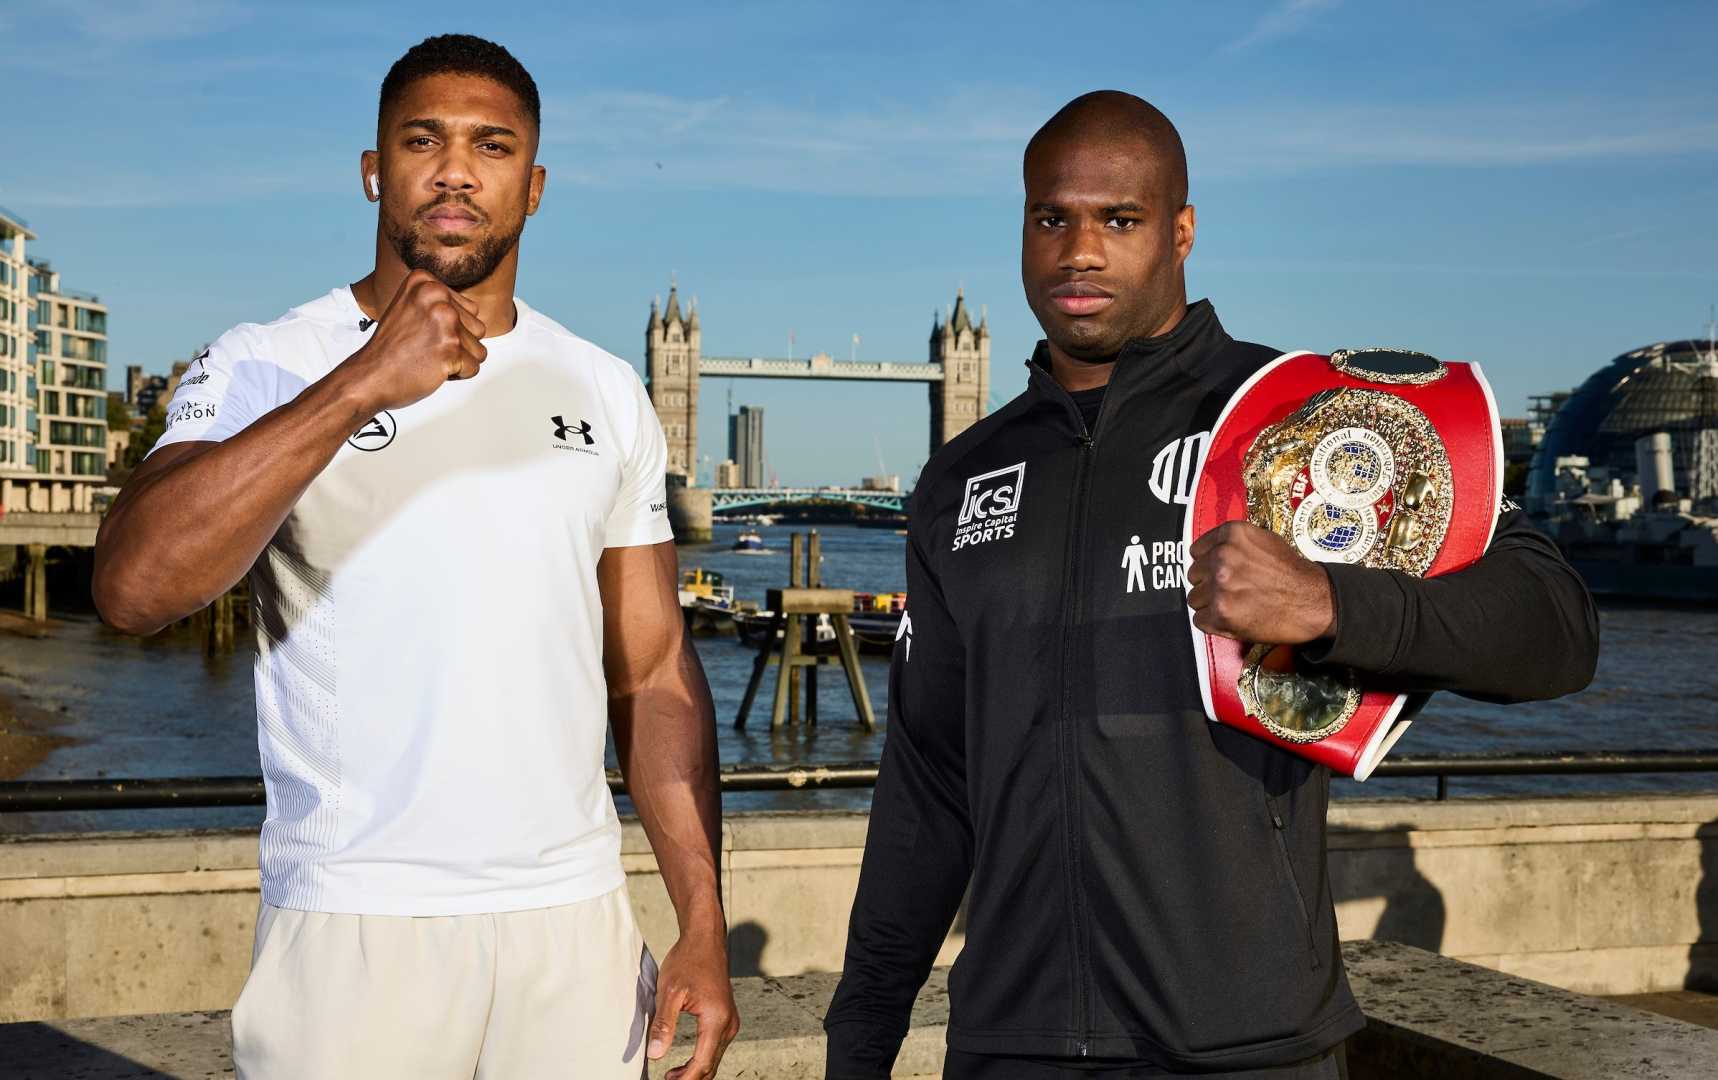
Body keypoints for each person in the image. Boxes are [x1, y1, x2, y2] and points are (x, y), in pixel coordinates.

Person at [824, 91, 1599, 1079]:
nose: (1078, 252)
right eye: (1050, 218)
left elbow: (1555, 627)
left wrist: (1333, 606)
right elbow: (929, 786)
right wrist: (861, 1036)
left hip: (1243, 1049)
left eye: (1119, 219)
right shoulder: (961, 477)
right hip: (1006, 1046)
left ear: (1181, 230)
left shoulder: (1306, 421)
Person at [93, 34, 738, 1080]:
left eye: (490, 147)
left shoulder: (605, 386)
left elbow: (655, 673)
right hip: (358, 927)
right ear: (372, 171)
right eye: (421, 140)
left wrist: (702, 921)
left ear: (531, 188)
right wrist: (358, 386)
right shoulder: (268, 359)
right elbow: (132, 589)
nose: (453, 171)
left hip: (572, 931)